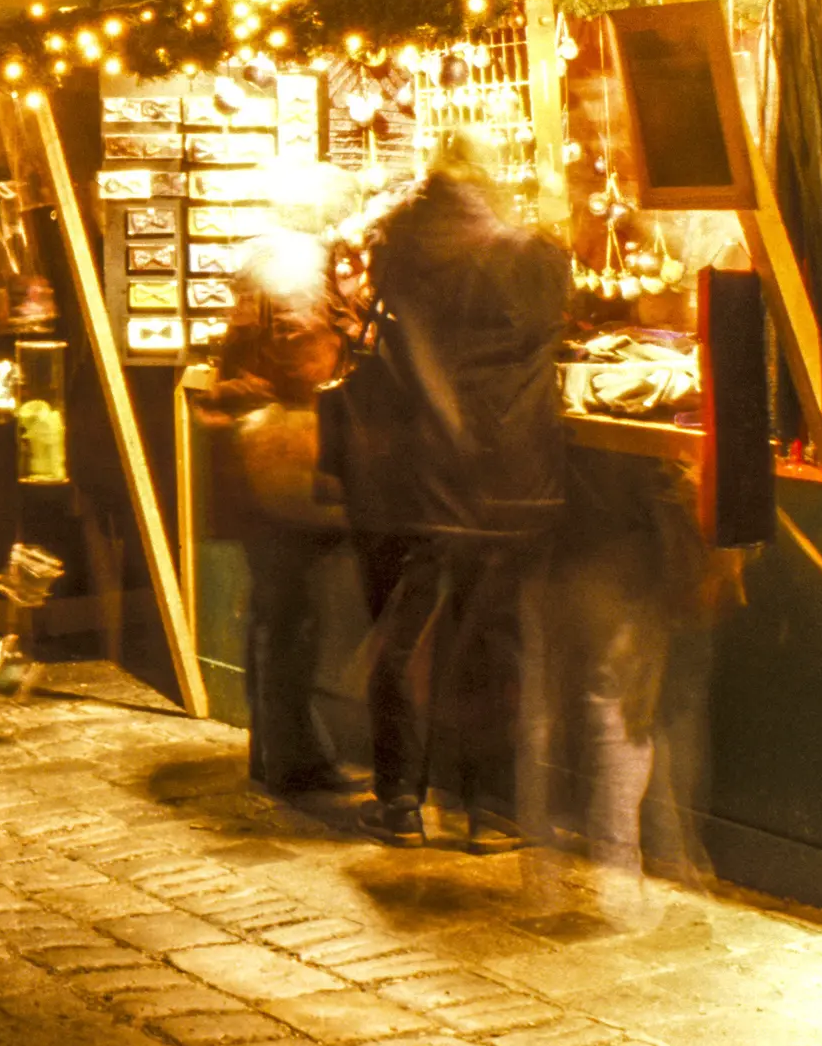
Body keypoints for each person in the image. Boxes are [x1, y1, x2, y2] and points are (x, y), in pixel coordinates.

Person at [337, 156, 570, 852]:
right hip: (512, 478)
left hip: (426, 479)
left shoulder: (399, 255)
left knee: (404, 640)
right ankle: (490, 810)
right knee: (493, 646)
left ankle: (401, 800)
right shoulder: (535, 255)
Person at [194, 232, 354, 797]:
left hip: (259, 468)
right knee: (291, 618)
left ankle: (275, 752)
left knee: (276, 614)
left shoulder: (261, 287)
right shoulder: (292, 286)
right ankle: (293, 759)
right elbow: (305, 363)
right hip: (278, 468)